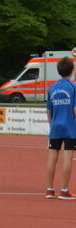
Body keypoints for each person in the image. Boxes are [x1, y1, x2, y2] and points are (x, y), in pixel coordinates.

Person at [45, 56, 76, 200]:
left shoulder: (51, 88)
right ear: (72, 70)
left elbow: (49, 110)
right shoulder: (73, 87)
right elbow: (75, 109)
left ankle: (50, 189)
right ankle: (64, 190)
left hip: (55, 126)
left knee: (52, 157)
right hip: (70, 126)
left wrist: (51, 126)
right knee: (68, 156)